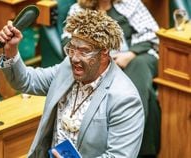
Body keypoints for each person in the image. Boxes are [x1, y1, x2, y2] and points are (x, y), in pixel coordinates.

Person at [0, 9, 144, 157]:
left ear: (104, 53)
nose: (74, 58)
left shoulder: (125, 99)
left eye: (84, 51)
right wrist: (11, 50)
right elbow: (27, 81)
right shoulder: (67, 67)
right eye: (72, 48)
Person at [66, 0, 161, 157]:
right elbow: (69, 43)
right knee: (147, 95)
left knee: (139, 69)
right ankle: (142, 150)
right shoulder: (77, 10)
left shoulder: (131, 3)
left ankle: (130, 139)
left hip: (137, 56)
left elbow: (153, 35)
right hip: (99, 64)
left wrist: (130, 55)